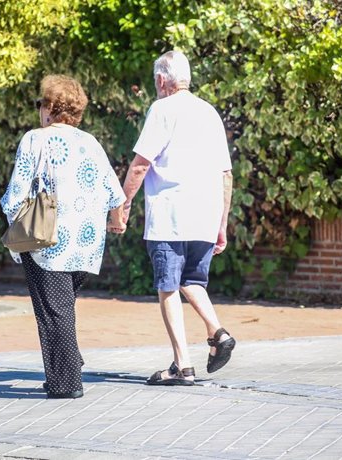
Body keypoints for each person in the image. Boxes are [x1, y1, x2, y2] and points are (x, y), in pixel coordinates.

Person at [1, 75, 126, 399]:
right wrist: (116, 223)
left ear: (50, 107)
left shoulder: (35, 140)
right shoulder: (90, 142)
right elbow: (115, 192)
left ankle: (66, 382)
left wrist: (13, 226)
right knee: (61, 306)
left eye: (40, 103)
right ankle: (68, 361)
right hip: (86, 242)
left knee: (53, 311)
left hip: (48, 239)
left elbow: (16, 194)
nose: (39, 109)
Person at [121, 51, 235, 386]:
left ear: (160, 80)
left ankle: (182, 365)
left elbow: (141, 164)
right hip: (206, 213)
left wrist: (123, 204)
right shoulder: (209, 112)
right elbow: (226, 174)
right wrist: (222, 223)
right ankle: (218, 333)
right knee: (192, 281)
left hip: (170, 215)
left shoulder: (162, 109)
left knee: (168, 285)